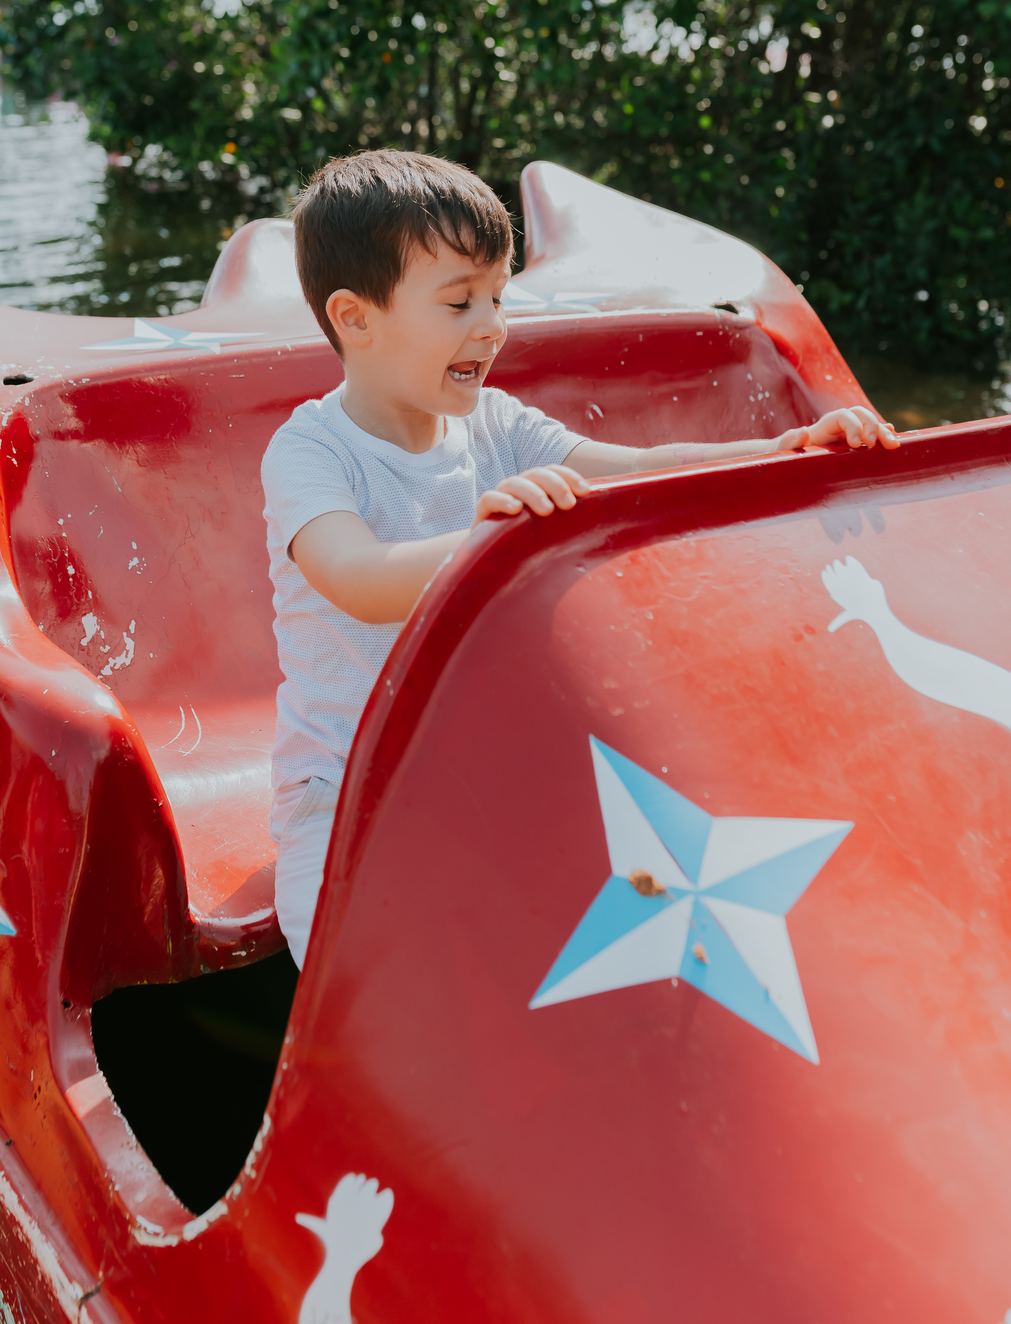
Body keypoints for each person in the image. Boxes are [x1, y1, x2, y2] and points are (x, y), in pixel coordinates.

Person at [260, 150, 898, 967]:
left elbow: (637, 470)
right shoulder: (311, 452)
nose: (491, 324)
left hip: (480, 761)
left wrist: (784, 448)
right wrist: (486, 535)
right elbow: (360, 579)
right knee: (359, 973)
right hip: (346, 787)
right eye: (459, 303)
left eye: (497, 296)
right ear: (355, 317)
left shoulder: (498, 425)